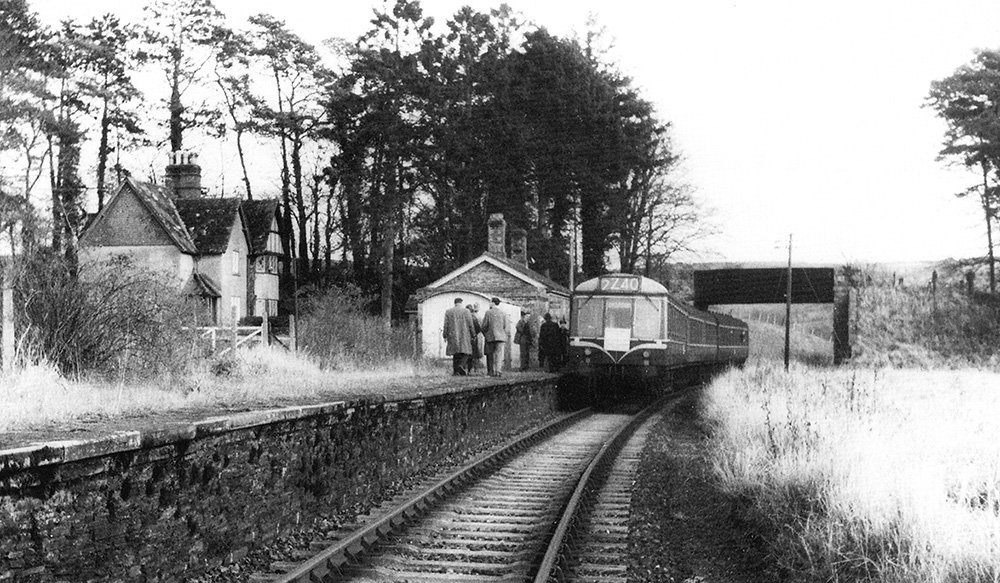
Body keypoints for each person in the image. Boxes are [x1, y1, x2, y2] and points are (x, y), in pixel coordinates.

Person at [442, 297, 476, 375]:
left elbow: (446, 325)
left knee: (455, 353)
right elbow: (470, 324)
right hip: (465, 334)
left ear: (455, 303)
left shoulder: (448, 311)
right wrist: (473, 334)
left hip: (453, 335)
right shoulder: (466, 311)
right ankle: (461, 365)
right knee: (467, 352)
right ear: (461, 303)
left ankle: (455, 371)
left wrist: (445, 335)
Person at [480, 297, 508, 377]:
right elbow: (505, 325)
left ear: (493, 303)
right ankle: (498, 371)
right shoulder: (503, 313)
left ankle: (491, 372)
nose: (489, 303)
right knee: (499, 355)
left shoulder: (488, 312)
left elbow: (484, 325)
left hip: (490, 336)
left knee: (490, 355)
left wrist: (485, 333)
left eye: (490, 302)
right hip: (501, 337)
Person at [466, 303, 484, 374]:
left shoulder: (464, 318)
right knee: (475, 353)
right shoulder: (474, 317)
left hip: (466, 338)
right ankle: (475, 369)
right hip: (473, 337)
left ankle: (469, 370)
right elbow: (478, 328)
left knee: (468, 354)